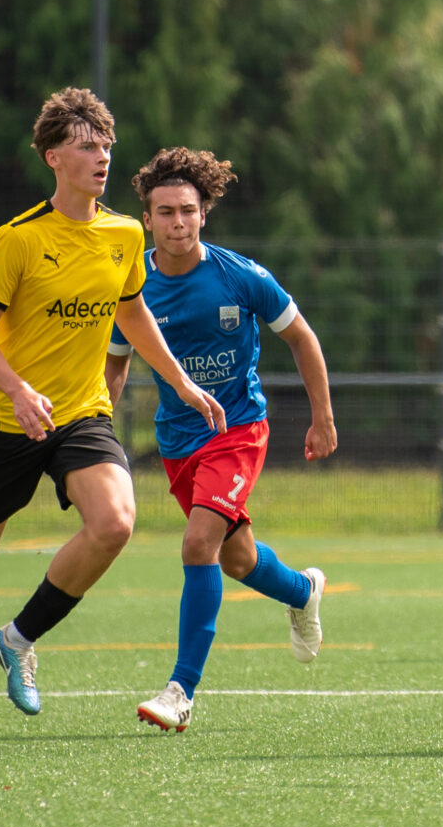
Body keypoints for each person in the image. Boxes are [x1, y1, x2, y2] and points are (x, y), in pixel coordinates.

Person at [0, 88, 227, 748]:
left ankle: (17, 639)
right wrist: (17, 391)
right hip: (7, 423)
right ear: (53, 157)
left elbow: (132, 314)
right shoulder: (17, 240)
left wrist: (179, 381)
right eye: (88, 146)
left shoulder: (124, 234)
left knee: (115, 523)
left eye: (107, 146)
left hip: (81, 415)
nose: (103, 157)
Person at [105, 147, 337, 733]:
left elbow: (303, 337)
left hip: (238, 431)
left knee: (197, 543)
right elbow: (115, 365)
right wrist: (94, 427)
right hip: (178, 441)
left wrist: (323, 418)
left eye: (187, 210)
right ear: (147, 220)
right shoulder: (132, 287)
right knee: (237, 559)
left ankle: (180, 691)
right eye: (165, 212)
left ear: (204, 213)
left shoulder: (242, 276)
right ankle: (302, 590)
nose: (177, 222)